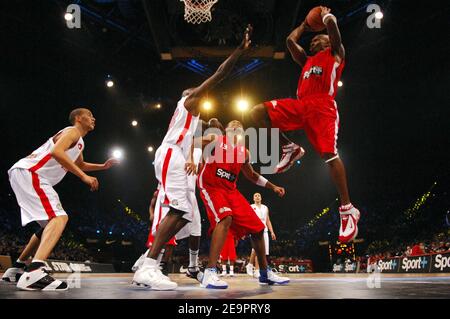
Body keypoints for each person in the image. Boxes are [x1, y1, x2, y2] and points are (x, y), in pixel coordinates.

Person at [131, 25, 253, 290]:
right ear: (189, 97)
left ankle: (149, 261)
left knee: (185, 214)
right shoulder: (188, 102)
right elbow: (220, 74)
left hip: (175, 155)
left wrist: (203, 144)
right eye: (196, 91)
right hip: (170, 156)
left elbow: (203, 139)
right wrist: (240, 51)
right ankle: (149, 265)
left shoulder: (190, 120)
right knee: (177, 210)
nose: (201, 92)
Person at [249, 6, 359, 243]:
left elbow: (335, 34)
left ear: (328, 41)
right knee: (257, 112)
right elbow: (289, 41)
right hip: (302, 106)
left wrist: (327, 16)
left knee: (330, 155)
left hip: (323, 107)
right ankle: (289, 148)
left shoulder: (335, 53)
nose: (313, 42)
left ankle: (348, 209)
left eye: (317, 38)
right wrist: (305, 26)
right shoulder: (307, 61)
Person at [2, 108, 119, 291]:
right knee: (59, 218)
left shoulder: (79, 141)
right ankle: (34, 272)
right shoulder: (71, 131)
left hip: (26, 173)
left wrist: (103, 167)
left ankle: (17, 267)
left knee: (47, 226)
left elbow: (79, 164)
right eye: (89, 115)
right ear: (79, 118)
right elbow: (57, 152)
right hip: (32, 173)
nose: (93, 118)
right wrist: (83, 177)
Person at [196, 120, 290, 289]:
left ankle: (264, 272)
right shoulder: (216, 138)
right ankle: (210, 272)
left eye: (239, 125)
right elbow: (193, 141)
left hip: (231, 190)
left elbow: (252, 175)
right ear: (226, 129)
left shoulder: (244, 153)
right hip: (212, 186)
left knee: (258, 228)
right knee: (225, 218)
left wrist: (273, 186)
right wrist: (192, 160)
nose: (235, 125)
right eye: (232, 123)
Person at [246, 192, 276, 277]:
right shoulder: (251, 207)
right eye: (255, 195)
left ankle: (256, 270)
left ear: (261, 198)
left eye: (259, 195)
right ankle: (250, 264)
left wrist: (272, 232)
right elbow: (248, 219)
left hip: (265, 230)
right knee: (256, 248)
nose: (257, 197)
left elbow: (268, 220)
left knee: (261, 251)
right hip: (254, 229)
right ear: (253, 198)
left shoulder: (265, 207)